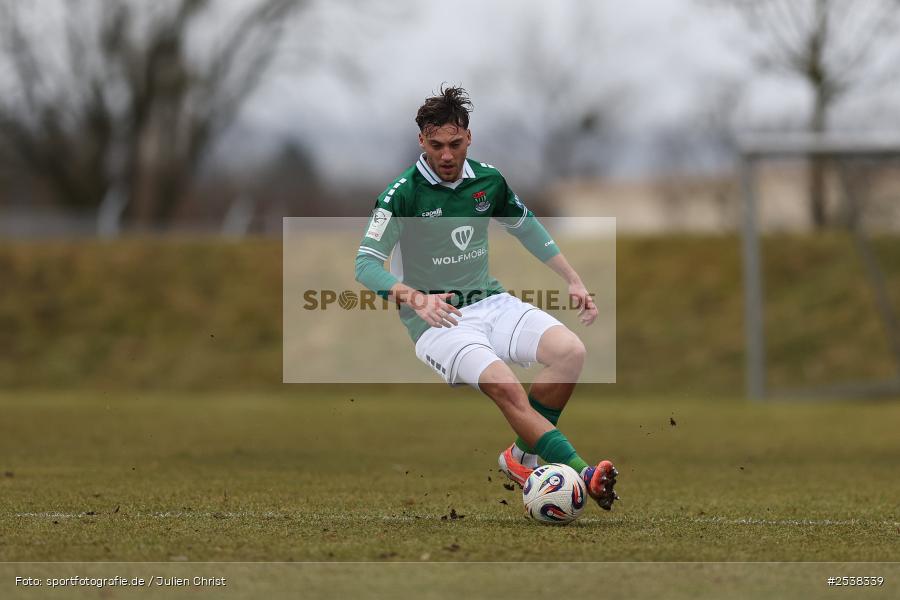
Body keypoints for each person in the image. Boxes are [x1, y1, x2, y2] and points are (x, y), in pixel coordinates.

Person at [354, 85, 617, 510]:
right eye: (436, 145)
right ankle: (583, 473)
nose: (446, 155)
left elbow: (527, 226)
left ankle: (519, 458)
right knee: (507, 388)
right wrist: (415, 298)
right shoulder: (400, 195)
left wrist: (572, 279)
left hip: (491, 302)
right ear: (421, 141)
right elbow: (365, 265)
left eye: (455, 144)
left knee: (570, 352)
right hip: (437, 321)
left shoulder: (488, 181)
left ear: (469, 139)